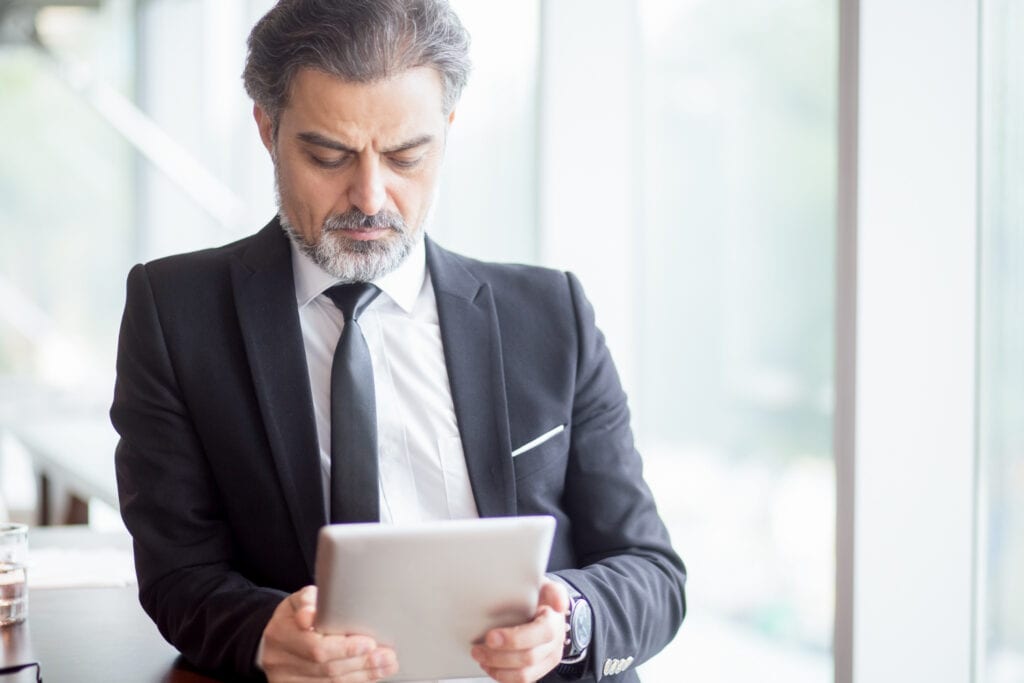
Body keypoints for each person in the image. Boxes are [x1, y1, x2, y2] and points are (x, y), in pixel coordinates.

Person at [110, 1, 686, 681]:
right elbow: (179, 574)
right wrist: (267, 633)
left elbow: (653, 571)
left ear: (446, 131)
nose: (370, 196)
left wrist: (571, 619)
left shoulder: (551, 313)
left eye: (407, 156)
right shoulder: (176, 312)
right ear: (268, 129)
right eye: (329, 155)